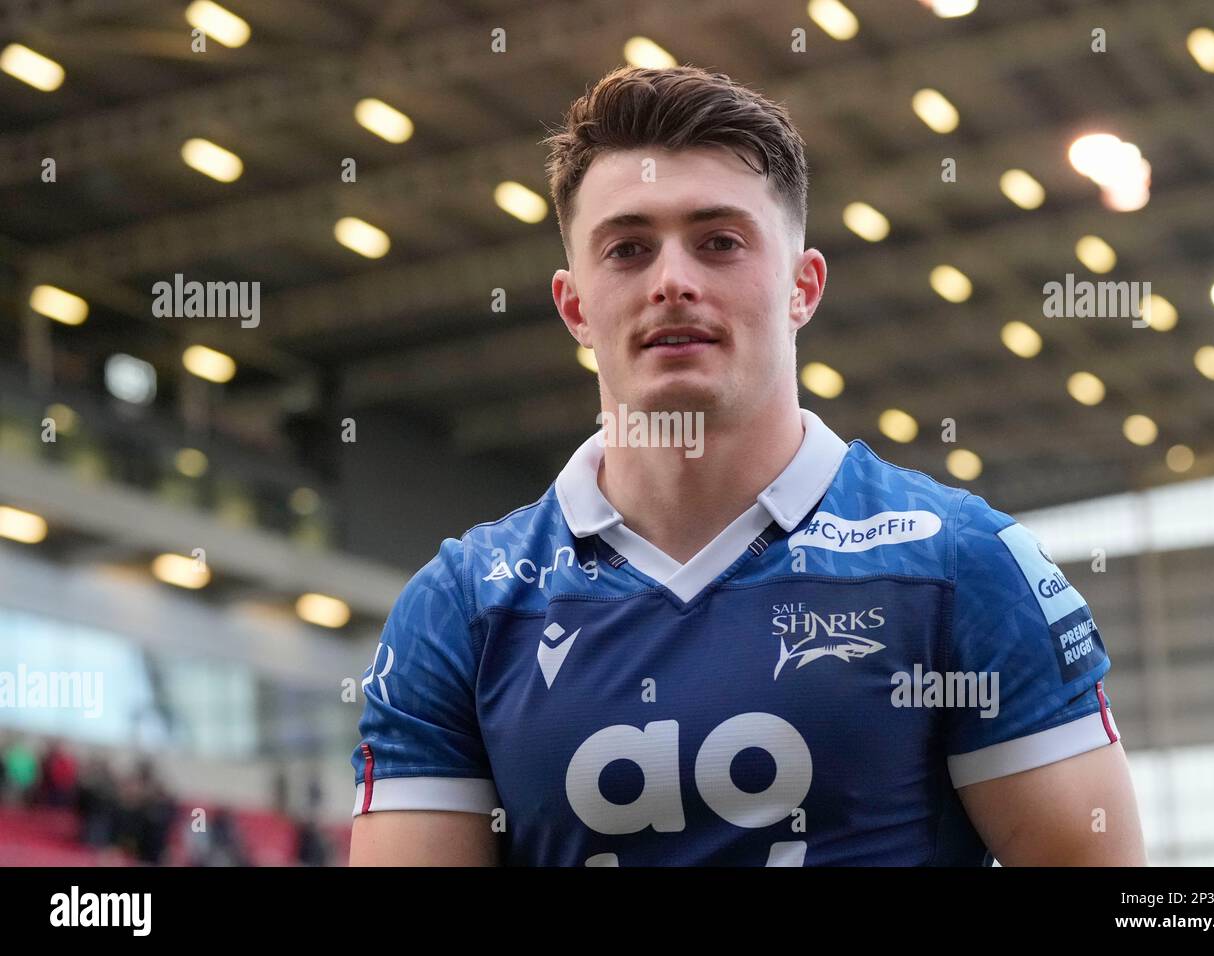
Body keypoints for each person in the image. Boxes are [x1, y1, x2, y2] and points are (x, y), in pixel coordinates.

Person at [350, 65, 1145, 866]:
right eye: (628, 249)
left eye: (719, 242)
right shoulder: (462, 611)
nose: (673, 282)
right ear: (575, 308)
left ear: (803, 287)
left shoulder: (958, 569)